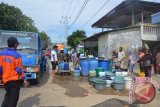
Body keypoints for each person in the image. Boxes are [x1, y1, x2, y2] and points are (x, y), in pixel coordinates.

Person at [0, 37, 29, 107]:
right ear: (15, 44)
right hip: (14, 81)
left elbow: (0, 68)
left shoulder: (1, 54)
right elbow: (19, 70)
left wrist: (1, 78)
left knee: (7, 96)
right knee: (13, 99)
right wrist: (23, 79)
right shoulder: (17, 55)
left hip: (5, 80)